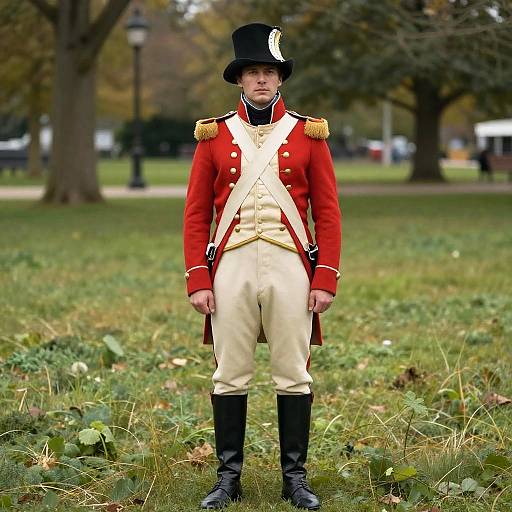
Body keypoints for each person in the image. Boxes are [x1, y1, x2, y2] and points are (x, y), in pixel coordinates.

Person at [183, 23, 342, 510]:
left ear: (280, 79)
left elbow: (328, 211)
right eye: (252, 72)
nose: (261, 80)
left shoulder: (307, 134)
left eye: (269, 72)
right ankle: (228, 478)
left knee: (293, 372)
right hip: (230, 263)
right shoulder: (214, 136)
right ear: (239, 79)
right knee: (230, 372)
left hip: (290, 263)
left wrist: (325, 276)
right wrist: (198, 277)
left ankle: (295, 479)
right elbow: (195, 213)